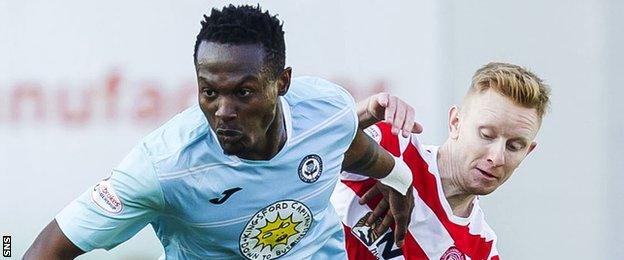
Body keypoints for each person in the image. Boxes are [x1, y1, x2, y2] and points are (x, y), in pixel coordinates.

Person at [24, 5, 423, 260]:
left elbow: (360, 152)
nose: (223, 112)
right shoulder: (164, 167)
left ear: (281, 83)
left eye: (243, 92)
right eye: (209, 92)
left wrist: (400, 181)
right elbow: (46, 250)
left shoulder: (325, 110)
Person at [332, 62, 551, 259]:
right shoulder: (391, 144)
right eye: (486, 135)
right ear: (455, 122)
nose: (496, 157)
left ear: (527, 152)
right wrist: (390, 170)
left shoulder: (482, 251)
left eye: (514, 146)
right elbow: (314, 144)